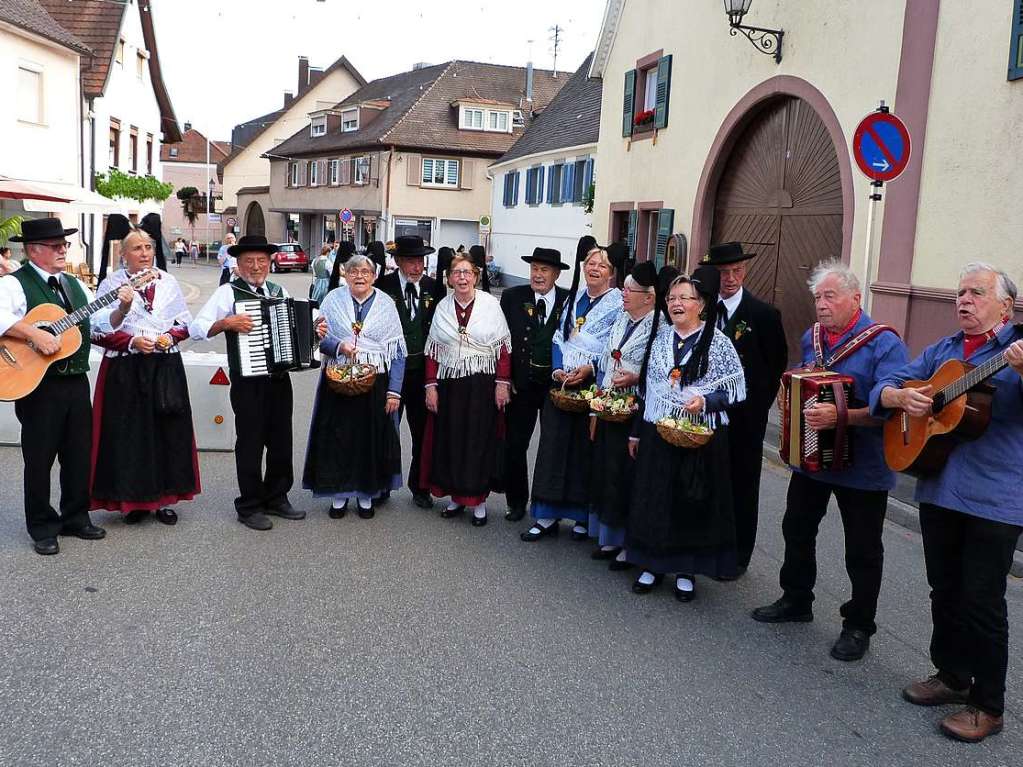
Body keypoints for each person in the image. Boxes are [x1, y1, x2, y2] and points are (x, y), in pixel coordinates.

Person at [871, 263, 1023, 744]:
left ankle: (987, 703)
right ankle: (953, 675)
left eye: (976, 293)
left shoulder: (1015, 350)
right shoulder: (945, 350)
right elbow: (890, 381)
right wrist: (900, 396)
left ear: (1005, 305)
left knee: (982, 600)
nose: (964, 300)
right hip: (940, 486)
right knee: (944, 588)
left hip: (996, 496)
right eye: (960, 292)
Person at [751, 261, 908, 661]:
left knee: (862, 549)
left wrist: (842, 416)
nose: (821, 304)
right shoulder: (813, 338)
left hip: (864, 465)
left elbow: (890, 412)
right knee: (797, 527)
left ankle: (858, 625)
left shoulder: (884, 344)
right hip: (813, 459)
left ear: (855, 298)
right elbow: (806, 380)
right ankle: (796, 598)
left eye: (830, 296)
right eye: (817, 297)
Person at [0, 217, 121, 554]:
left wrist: (122, 306)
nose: (62, 250)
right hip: (39, 384)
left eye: (64, 245)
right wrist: (34, 333)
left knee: (78, 454)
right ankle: (42, 526)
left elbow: (96, 323)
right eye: (56, 246)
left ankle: (75, 517)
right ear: (33, 250)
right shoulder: (14, 284)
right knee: (39, 459)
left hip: (75, 381)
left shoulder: (73, 284)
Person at [624, 267, 746, 600]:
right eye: (671, 298)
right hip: (657, 430)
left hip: (698, 436)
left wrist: (705, 400)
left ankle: (685, 570)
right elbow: (647, 391)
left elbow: (736, 392)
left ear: (701, 305)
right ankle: (651, 565)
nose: (676, 303)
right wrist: (636, 433)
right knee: (654, 498)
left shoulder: (718, 342)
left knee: (689, 501)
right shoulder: (661, 339)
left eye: (684, 298)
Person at [190, 234, 306, 531]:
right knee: (251, 443)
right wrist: (226, 323)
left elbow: (293, 329)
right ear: (238, 265)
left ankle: (277, 496)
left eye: (261, 261)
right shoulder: (228, 293)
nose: (256, 266)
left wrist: (312, 327)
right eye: (249, 261)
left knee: (281, 441)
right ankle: (250, 504)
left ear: (270, 263)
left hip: (278, 379)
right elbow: (197, 328)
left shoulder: (278, 290)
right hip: (248, 381)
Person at [89, 228, 199, 527]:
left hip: (164, 366)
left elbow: (185, 324)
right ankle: (134, 500)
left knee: (167, 433)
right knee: (129, 437)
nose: (144, 253)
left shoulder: (169, 282)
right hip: (125, 368)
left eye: (148, 247)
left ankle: (164, 499)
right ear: (123, 254)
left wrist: (168, 338)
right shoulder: (112, 284)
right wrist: (130, 342)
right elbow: (96, 331)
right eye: (136, 248)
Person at [520, 240, 623, 542]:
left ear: (611, 272)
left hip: (592, 384)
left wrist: (590, 369)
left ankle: (581, 515)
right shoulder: (572, 298)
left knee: (584, 450)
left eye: (602, 265)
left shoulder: (618, 303)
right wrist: (556, 369)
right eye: (591, 263)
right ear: (583, 267)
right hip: (562, 381)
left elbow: (614, 348)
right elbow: (557, 338)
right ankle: (547, 515)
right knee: (553, 447)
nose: (595, 269)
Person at [703, 242, 788, 575]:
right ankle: (707, 544)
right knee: (709, 480)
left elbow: (774, 364)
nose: (729, 279)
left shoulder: (764, 315)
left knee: (742, 484)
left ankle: (739, 554)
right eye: (723, 273)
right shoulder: (705, 310)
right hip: (706, 413)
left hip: (745, 419)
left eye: (736, 271)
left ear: (745, 272)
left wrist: (755, 409)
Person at [303, 255, 406, 518]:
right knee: (338, 438)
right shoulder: (332, 300)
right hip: (337, 380)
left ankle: (366, 495)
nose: (359, 276)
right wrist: (338, 346)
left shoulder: (386, 304)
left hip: (375, 382)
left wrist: (394, 391)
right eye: (353, 272)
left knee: (369, 440)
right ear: (345, 275)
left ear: (374, 276)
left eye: (365, 272)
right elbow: (318, 337)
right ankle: (339, 496)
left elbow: (397, 351)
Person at [420, 252, 512, 526]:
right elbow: (432, 352)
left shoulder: (490, 306)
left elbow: (503, 349)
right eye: (457, 272)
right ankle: (456, 498)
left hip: (482, 384)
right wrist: (430, 386)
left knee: (477, 442)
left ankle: (478, 502)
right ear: (449, 278)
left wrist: (502, 384)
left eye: (467, 272)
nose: (462, 277)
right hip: (450, 384)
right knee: (450, 442)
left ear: (476, 276)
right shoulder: (442, 308)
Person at [589, 260, 658, 564]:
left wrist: (636, 378)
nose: (625, 294)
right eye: (625, 288)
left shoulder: (658, 327)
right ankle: (609, 537)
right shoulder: (621, 318)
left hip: (636, 412)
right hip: (611, 406)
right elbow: (606, 360)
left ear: (649, 297)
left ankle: (630, 541)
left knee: (630, 477)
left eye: (631, 290)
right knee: (609, 471)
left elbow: (658, 374)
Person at [499, 247, 570, 521]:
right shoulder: (512, 297)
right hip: (521, 385)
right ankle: (516, 501)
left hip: (555, 387)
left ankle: (548, 505)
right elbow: (501, 342)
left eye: (544, 270)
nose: (538, 275)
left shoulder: (568, 299)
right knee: (515, 445)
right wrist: (504, 378)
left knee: (552, 447)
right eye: (535, 269)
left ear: (555, 274)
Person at [377, 236, 440, 508]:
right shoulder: (382, 286)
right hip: (391, 373)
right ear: (398, 261)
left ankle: (420, 487)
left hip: (422, 374)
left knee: (423, 433)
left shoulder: (434, 287)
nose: (417, 267)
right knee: (387, 431)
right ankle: (383, 485)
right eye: (411, 261)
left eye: (421, 261)